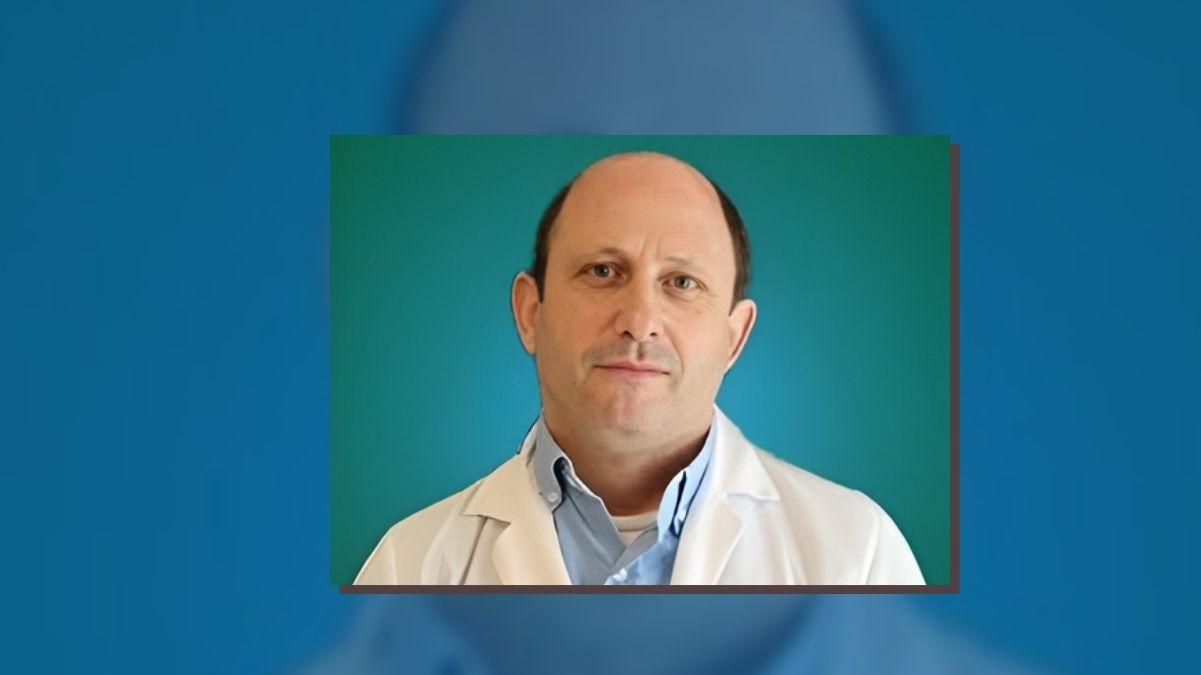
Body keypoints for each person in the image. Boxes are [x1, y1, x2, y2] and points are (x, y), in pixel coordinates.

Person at [354, 150, 923, 586]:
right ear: (531, 314)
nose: (639, 321)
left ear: (734, 337)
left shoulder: (859, 554)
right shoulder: (409, 565)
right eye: (603, 271)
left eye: (682, 283)